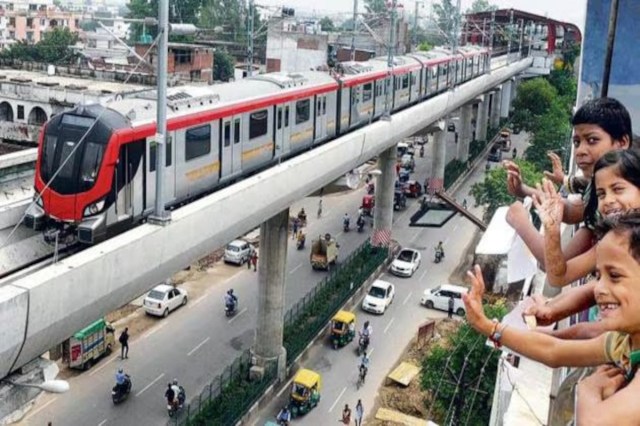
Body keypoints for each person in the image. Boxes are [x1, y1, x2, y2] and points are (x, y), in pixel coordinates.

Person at [463, 212, 640, 423]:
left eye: (615, 276)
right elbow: (554, 351)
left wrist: (587, 392)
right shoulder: (622, 342)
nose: (599, 288)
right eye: (598, 276)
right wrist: (487, 326)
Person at [504, 97, 633, 270]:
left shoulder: (619, 211)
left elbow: (556, 266)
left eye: (592, 140)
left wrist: (520, 221)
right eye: (577, 142)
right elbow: (574, 210)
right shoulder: (599, 186)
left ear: (622, 143)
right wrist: (523, 190)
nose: (579, 151)